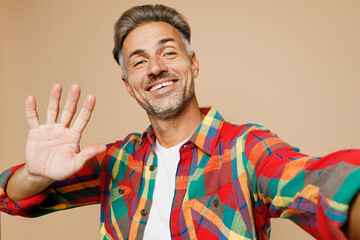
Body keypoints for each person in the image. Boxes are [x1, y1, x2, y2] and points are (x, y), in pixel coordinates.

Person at [0, 4, 359, 240]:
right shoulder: (116, 161)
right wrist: (34, 175)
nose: (155, 67)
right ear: (129, 86)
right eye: (139, 62)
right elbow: (13, 198)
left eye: (168, 52)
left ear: (194, 64)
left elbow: (315, 185)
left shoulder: (246, 149)